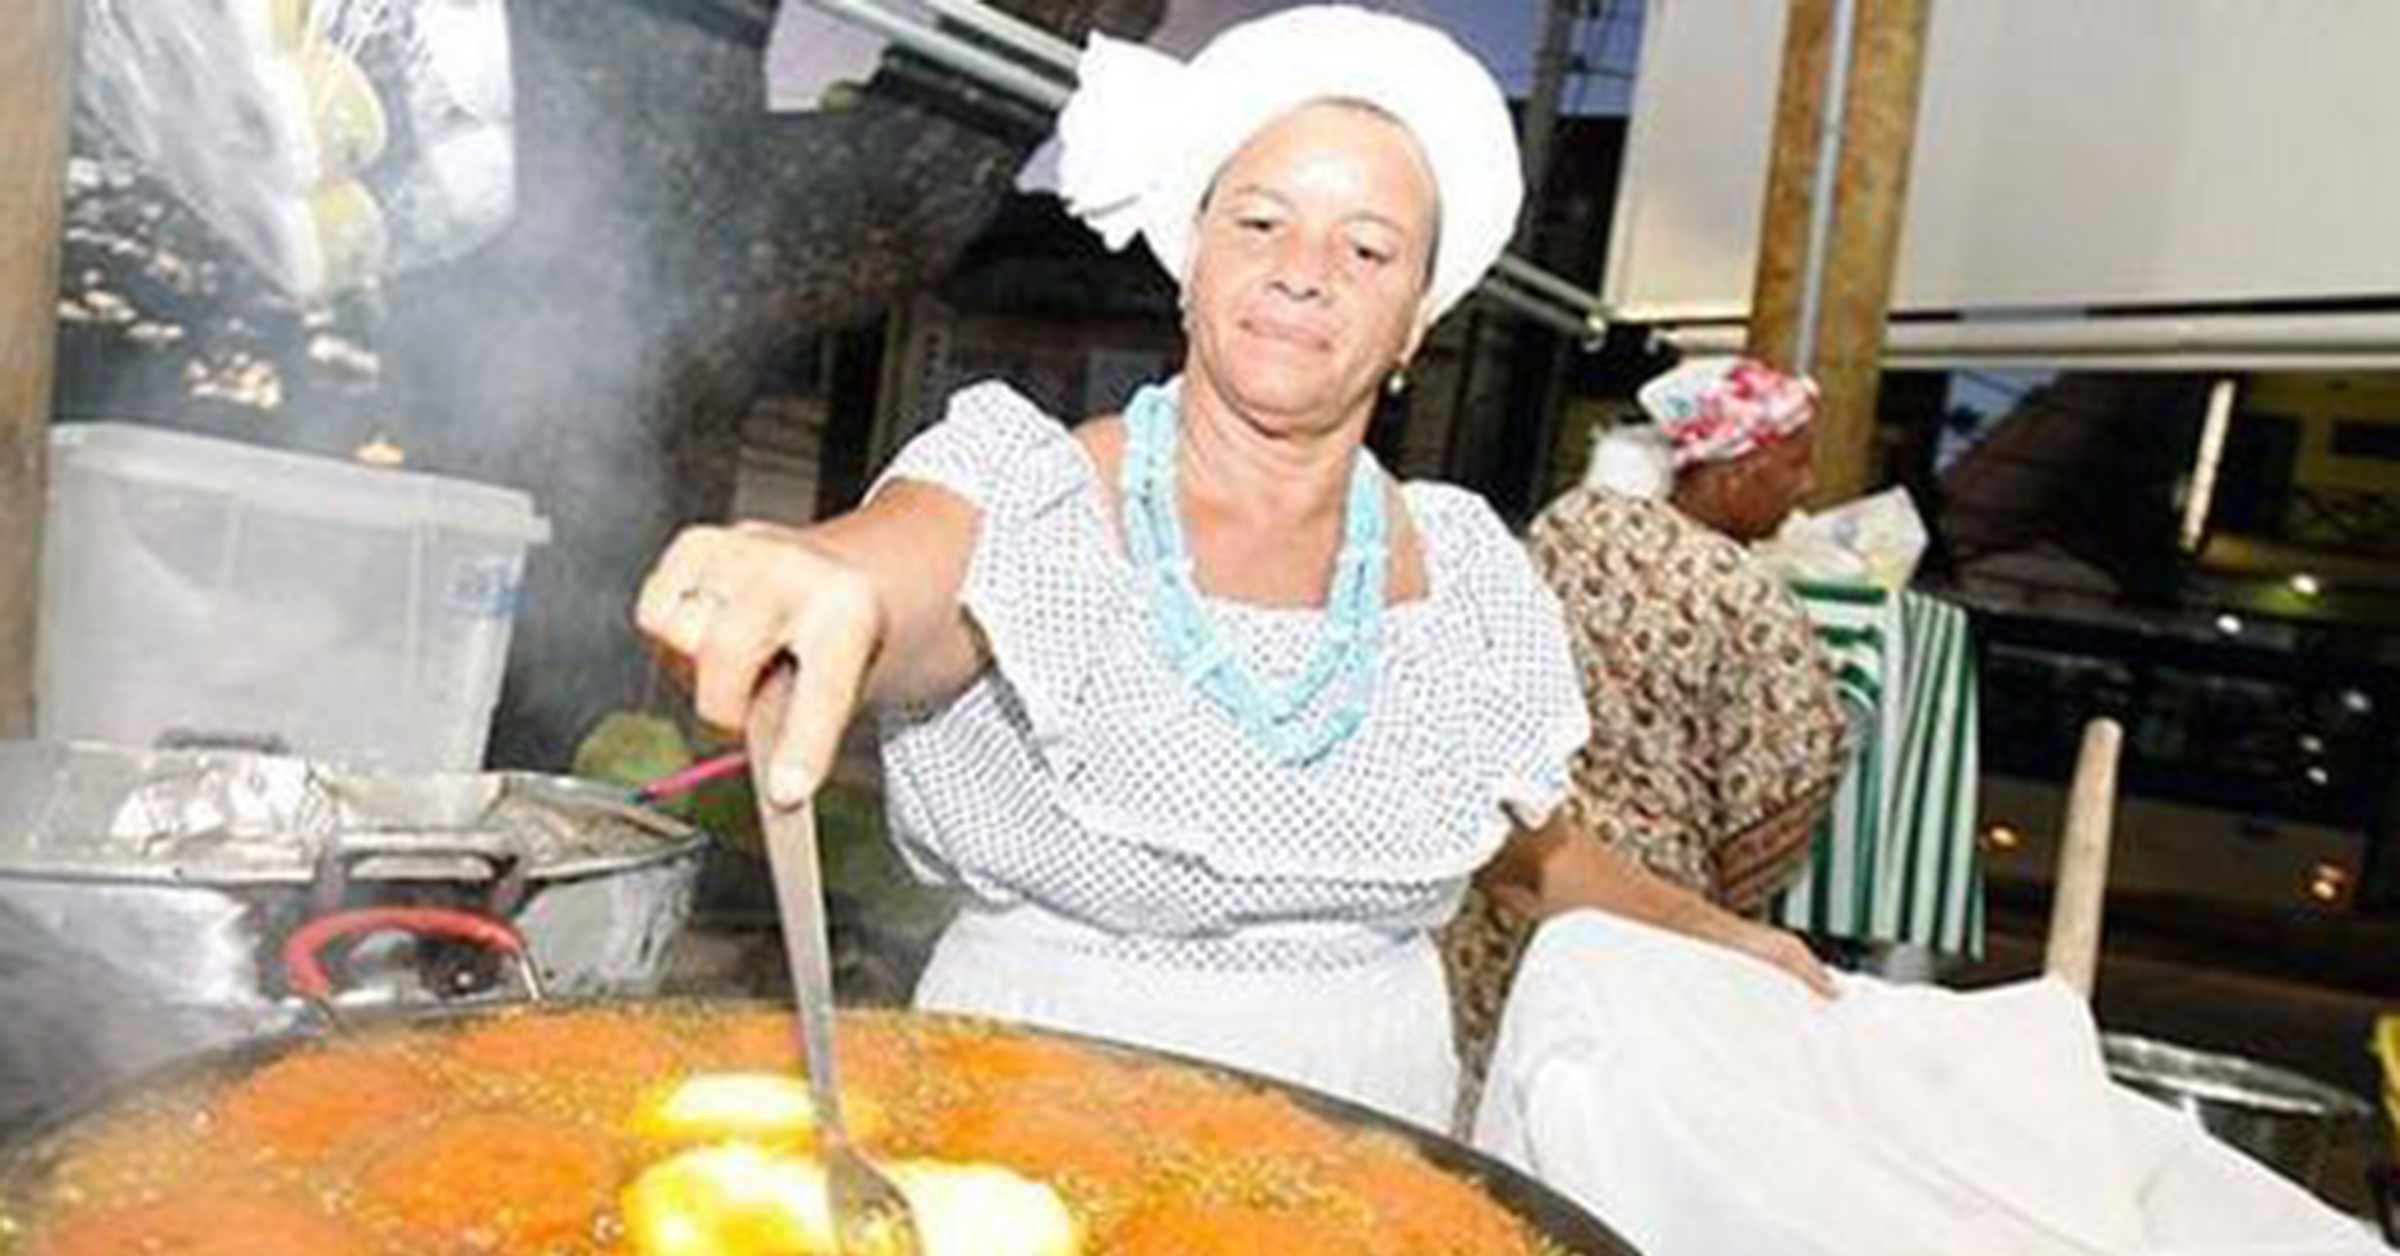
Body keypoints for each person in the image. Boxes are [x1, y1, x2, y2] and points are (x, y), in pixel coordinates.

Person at [636, 8, 1825, 1134]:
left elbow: (1521, 848)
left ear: (1417, 320)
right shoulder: (1039, 485)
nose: (1306, 267)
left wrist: (1710, 931)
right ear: (1192, 258)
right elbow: (913, 565)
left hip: (1373, 1123)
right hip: (1037, 1086)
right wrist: (814, 571)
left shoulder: (1463, 570)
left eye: (1369, 247)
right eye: (1259, 222)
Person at [1444, 356, 1851, 1076]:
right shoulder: (1745, 596)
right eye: (1794, 463)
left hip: (1515, 868)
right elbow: (1793, 782)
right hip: (1648, 914)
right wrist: (1722, 892)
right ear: (1735, 469)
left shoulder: (1569, 523)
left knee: (1482, 1089)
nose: (1806, 485)